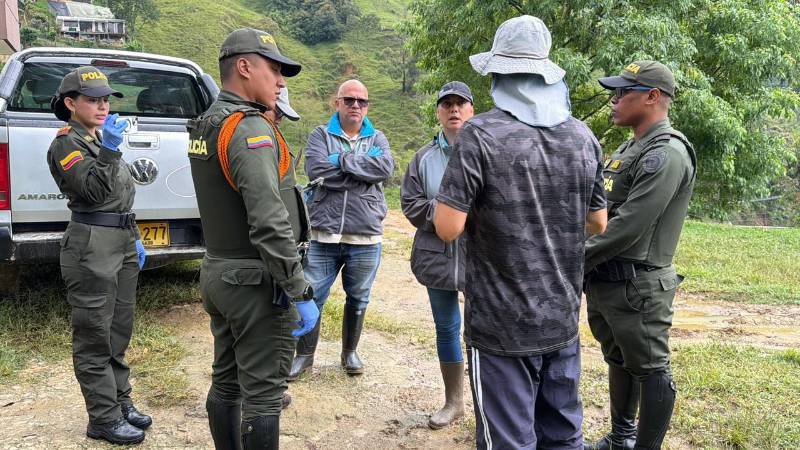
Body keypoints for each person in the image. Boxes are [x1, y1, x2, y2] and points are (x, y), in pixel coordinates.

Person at [432, 16, 608, 450]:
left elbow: (448, 227)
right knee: (564, 435)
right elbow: (597, 222)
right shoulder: (582, 137)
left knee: (508, 441)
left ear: (498, 74)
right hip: (562, 316)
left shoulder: (480, 134)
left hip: (501, 325)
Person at [187, 28, 318, 450]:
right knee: (263, 396)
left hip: (220, 272)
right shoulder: (248, 129)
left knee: (226, 380)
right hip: (255, 281)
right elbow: (268, 221)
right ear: (244, 67)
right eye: (274, 69)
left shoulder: (208, 122)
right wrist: (296, 287)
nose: (281, 81)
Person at [583, 61, 696, 450]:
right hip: (608, 280)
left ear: (652, 97)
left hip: (638, 285)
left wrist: (573, 258)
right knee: (619, 359)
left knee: (650, 368)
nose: (614, 100)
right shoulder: (631, 147)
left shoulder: (667, 153)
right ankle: (620, 438)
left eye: (623, 93)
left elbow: (631, 224)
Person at [47, 66, 150, 445]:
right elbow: (91, 192)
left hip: (120, 239)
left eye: (106, 99)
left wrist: (135, 237)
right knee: (94, 335)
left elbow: (121, 197)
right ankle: (103, 418)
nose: (103, 105)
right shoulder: (66, 144)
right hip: (91, 244)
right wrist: (108, 149)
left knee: (118, 331)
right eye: (93, 99)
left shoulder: (98, 138)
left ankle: (121, 402)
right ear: (71, 103)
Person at [289, 79, 394, 379]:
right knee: (313, 295)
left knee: (359, 297)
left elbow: (384, 169)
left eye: (362, 101)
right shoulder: (320, 135)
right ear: (337, 103)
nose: (356, 106)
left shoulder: (379, 139)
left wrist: (341, 162)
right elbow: (318, 171)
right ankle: (304, 355)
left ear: (367, 106)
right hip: (323, 234)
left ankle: (349, 353)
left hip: (366, 235)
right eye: (349, 100)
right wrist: (362, 170)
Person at [400, 81, 474, 429]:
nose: (454, 110)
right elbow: (411, 204)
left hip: (480, 259)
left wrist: (458, 214)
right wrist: (448, 214)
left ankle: (491, 402)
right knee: (446, 328)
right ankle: (454, 401)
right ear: (439, 112)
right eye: (447, 105)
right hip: (436, 257)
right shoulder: (423, 158)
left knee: (483, 330)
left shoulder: (486, 152)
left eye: (461, 103)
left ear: (472, 110)